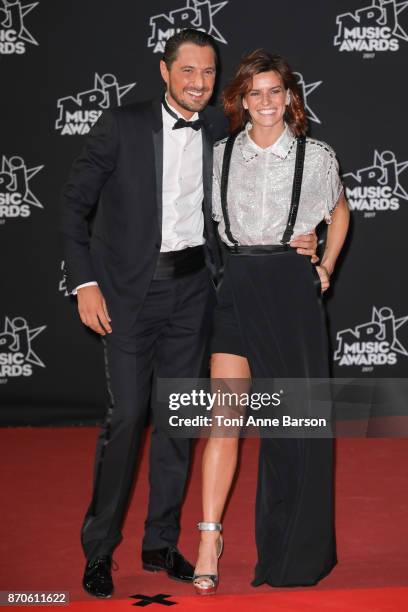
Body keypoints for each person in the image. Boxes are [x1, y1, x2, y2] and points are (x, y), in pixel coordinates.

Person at [60, 31, 318, 599]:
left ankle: (160, 542)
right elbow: (74, 206)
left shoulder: (221, 134)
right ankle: (99, 550)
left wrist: (307, 241)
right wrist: (85, 282)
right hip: (127, 296)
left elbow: (271, 190)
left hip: (193, 295)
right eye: (188, 72)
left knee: (179, 422)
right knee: (128, 416)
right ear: (164, 71)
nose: (199, 82)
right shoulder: (122, 125)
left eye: (208, 73)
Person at [193, 50, 350, 595]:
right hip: (237, 287)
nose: (264, 102)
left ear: (290, 98)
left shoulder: (316, 155)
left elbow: (341, 209)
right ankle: (208, 539)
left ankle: (295, 552)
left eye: (273, 91)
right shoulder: (219, 155)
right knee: (223, 418)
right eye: (253, 93)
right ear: (241, 100)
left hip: (290, 289)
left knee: (295, 430)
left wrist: (324, 262)